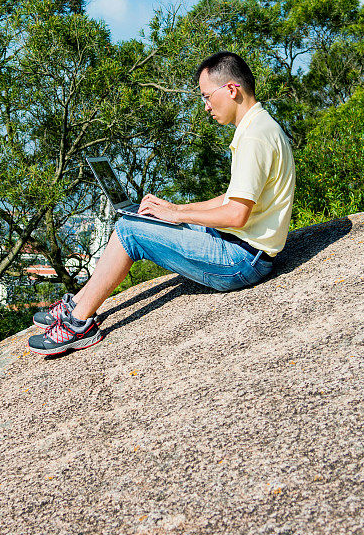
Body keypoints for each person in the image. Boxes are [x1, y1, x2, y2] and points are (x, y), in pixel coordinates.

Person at [27, 51, 296, 356]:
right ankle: (76, 303)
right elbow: (232, 197)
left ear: (232, 90)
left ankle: (78, 324)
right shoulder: (258, 126)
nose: (206, 106)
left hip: (241, 260)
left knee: (131, 231)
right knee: (145, 219)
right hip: (243, 248)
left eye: (207, 96)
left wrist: (177, 215)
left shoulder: (255, 138)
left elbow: (235, 214)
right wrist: (175, 211)